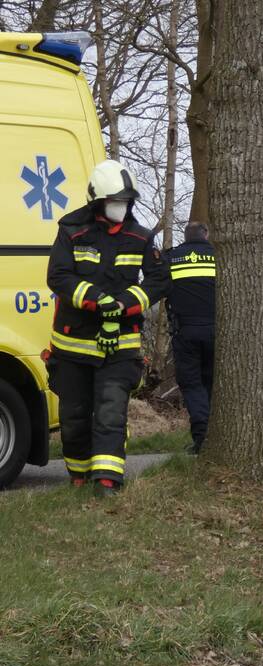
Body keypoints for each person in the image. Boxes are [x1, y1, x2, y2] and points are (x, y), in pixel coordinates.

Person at [45, 159, 170, 496]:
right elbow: (58, 276)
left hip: (121, 345)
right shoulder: (71, 230)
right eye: (116, 201)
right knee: (74, 416)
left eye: (126, 202)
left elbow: (158, 280)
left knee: (111, 412)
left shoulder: (142, 237)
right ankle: (79, 476)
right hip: (72, 346)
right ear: (97, 201)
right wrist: (97, 299)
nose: (122, 207)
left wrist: (125, 304)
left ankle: (107, 481)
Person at [166, 221, 216, 453]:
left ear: (186, 237)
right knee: (211, 383)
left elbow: (159, 286)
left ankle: (201, 438)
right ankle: (214, 436)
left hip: (185, 332)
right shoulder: (219, 256)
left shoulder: (173, 257)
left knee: (192, 384)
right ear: (206, 235)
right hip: (217, 333)